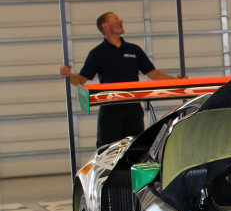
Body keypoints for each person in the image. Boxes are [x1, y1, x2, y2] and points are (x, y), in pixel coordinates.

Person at [60, 12, 182, 148]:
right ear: (105, 25)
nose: (121, 20)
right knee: (107, 150)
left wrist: (178, 82)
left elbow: (154, 74)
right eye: (116, 19)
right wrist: (68, 75)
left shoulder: (134, 49)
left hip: (133, 108)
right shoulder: (97, 53)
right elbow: (80, 80)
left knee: (136, 148)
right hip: (110, 110)